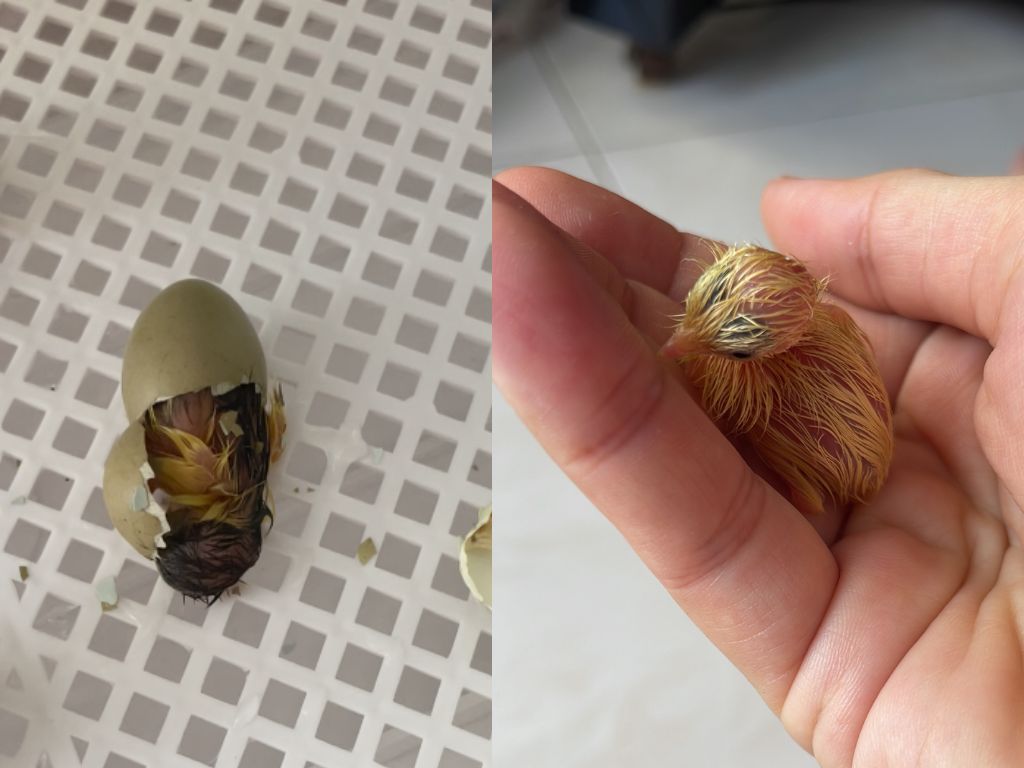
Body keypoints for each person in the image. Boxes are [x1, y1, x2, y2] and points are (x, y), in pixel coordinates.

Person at [493, 166, 1024, 765]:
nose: (681, 343)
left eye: (738, 346)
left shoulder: (763, 383)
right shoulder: (823, 325)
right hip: (875, 450)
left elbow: (777, 415)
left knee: (773, 438)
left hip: (844, 468)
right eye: (699, 310)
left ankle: (810, 488)